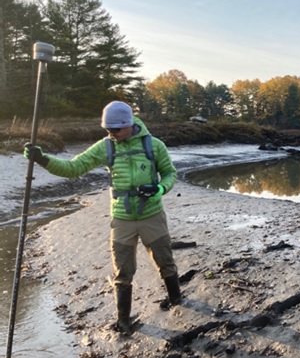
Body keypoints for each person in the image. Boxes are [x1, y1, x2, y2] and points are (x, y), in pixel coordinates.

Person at [24, 101, 182, 335]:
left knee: (165, 261)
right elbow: (73, 168)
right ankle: (123, 321)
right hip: (122, 219)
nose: (112, 134)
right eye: (108, 130)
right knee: (123, 272)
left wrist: (159, 189)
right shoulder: (106, 147)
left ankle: (176, 300)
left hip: (152, 215)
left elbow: (170, 174)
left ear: (128, 125)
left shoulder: (154, 146)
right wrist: (43, 159)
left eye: (115, 130)